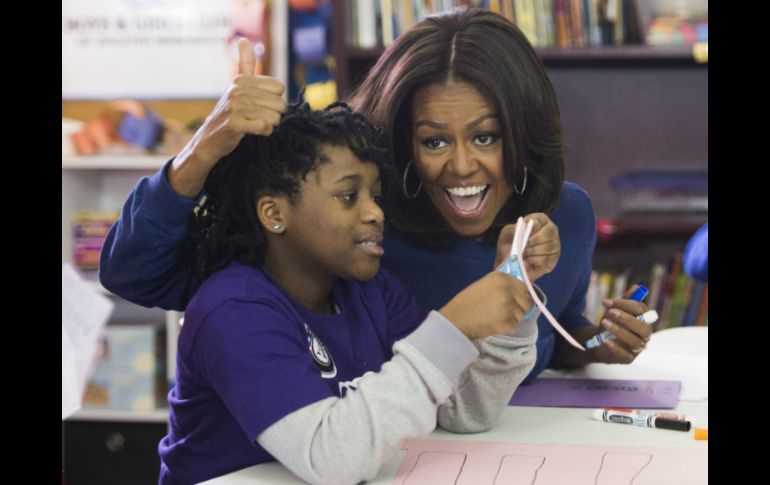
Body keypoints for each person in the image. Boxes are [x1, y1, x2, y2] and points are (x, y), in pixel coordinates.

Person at [100, 8, 650, 382]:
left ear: (524, 134)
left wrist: (598, 344)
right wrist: (204, 148)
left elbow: (558, 332)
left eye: (487, 137)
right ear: (401, 141)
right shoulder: (350, 226)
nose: (462, 165)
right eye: (434, 141)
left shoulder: (565, 215)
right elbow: (135, 275)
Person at [158, 98, 544, 484]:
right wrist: (453, 328)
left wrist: (515, 290)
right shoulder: (233, 310)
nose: (375, 213)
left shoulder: (370, 291)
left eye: (375, 197)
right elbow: (331, 459)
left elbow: (462, 412)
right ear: (274, 214)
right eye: (348, 196)